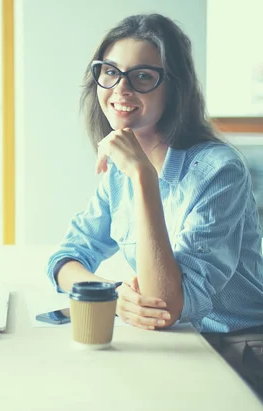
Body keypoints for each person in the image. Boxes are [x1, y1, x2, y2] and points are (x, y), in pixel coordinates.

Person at [46, 13, 263, 399]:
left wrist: (144, 177)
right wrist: (116, 296)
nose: (120, 88)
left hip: (237, 350)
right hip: (175, 345)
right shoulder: (120, 166)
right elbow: (67, 258)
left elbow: (165, 305)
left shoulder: (218, 171)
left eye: (143, 76)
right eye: (109, 72)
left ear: (174, 88)